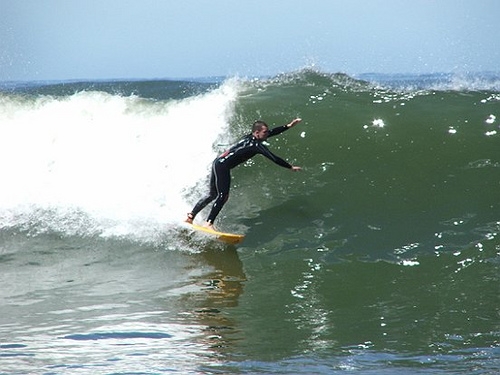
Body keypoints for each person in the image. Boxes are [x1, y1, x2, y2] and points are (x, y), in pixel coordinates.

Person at [186, 118, 302, 230]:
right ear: (257, 133)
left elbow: (273, 132)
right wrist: (290, 167)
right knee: (223, 195)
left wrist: (288, 126)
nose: (267, 134)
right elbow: (274, 158)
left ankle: (191, 216)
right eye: (265, 132)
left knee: (212, 194)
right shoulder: (256, 146)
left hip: (217, 162)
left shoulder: (249, 137)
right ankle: (209, 223)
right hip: (223, 166)